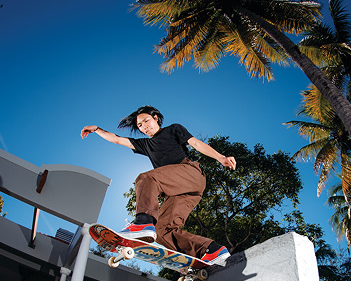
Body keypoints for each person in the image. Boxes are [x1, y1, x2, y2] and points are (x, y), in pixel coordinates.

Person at [81, 105, 236, 265]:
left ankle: (143, 221)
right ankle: (211, 250)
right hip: (179, 191)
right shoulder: (145, 145)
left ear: (156, 118)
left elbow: (196, 144)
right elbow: (116, 139)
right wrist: (97, 129)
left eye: (146, 121)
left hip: (190, 174)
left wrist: (221, 157)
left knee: (146, 178)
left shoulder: (173, 129)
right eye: (140, 126)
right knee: (162, 231)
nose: (144, 127)